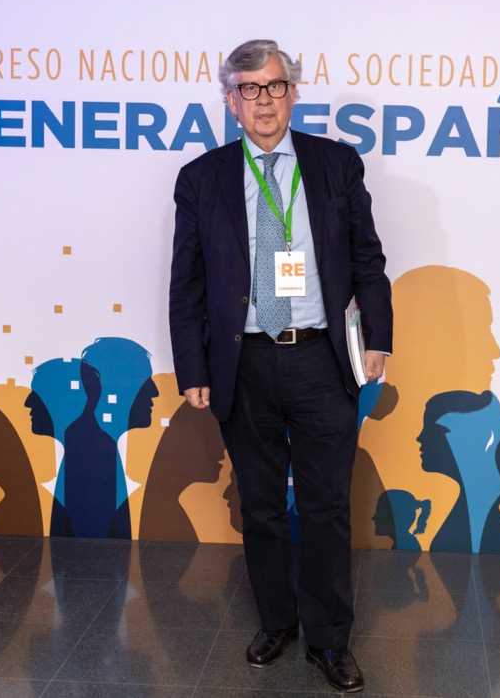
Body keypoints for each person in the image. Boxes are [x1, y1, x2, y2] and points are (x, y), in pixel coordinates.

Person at [169, 38, 393, 693]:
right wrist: (193, 368)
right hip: (244, 363)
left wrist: (377, 337)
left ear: (292, 93)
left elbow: (368, 258)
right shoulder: (201, 178)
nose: (263, 101)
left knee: (325, 507)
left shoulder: (335, 165)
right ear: (230, 102)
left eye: (274, 86)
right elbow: (187, 283)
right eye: (249, 89)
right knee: (261, 506)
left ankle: (329, 639)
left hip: (322, 359)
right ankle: (276, 621)